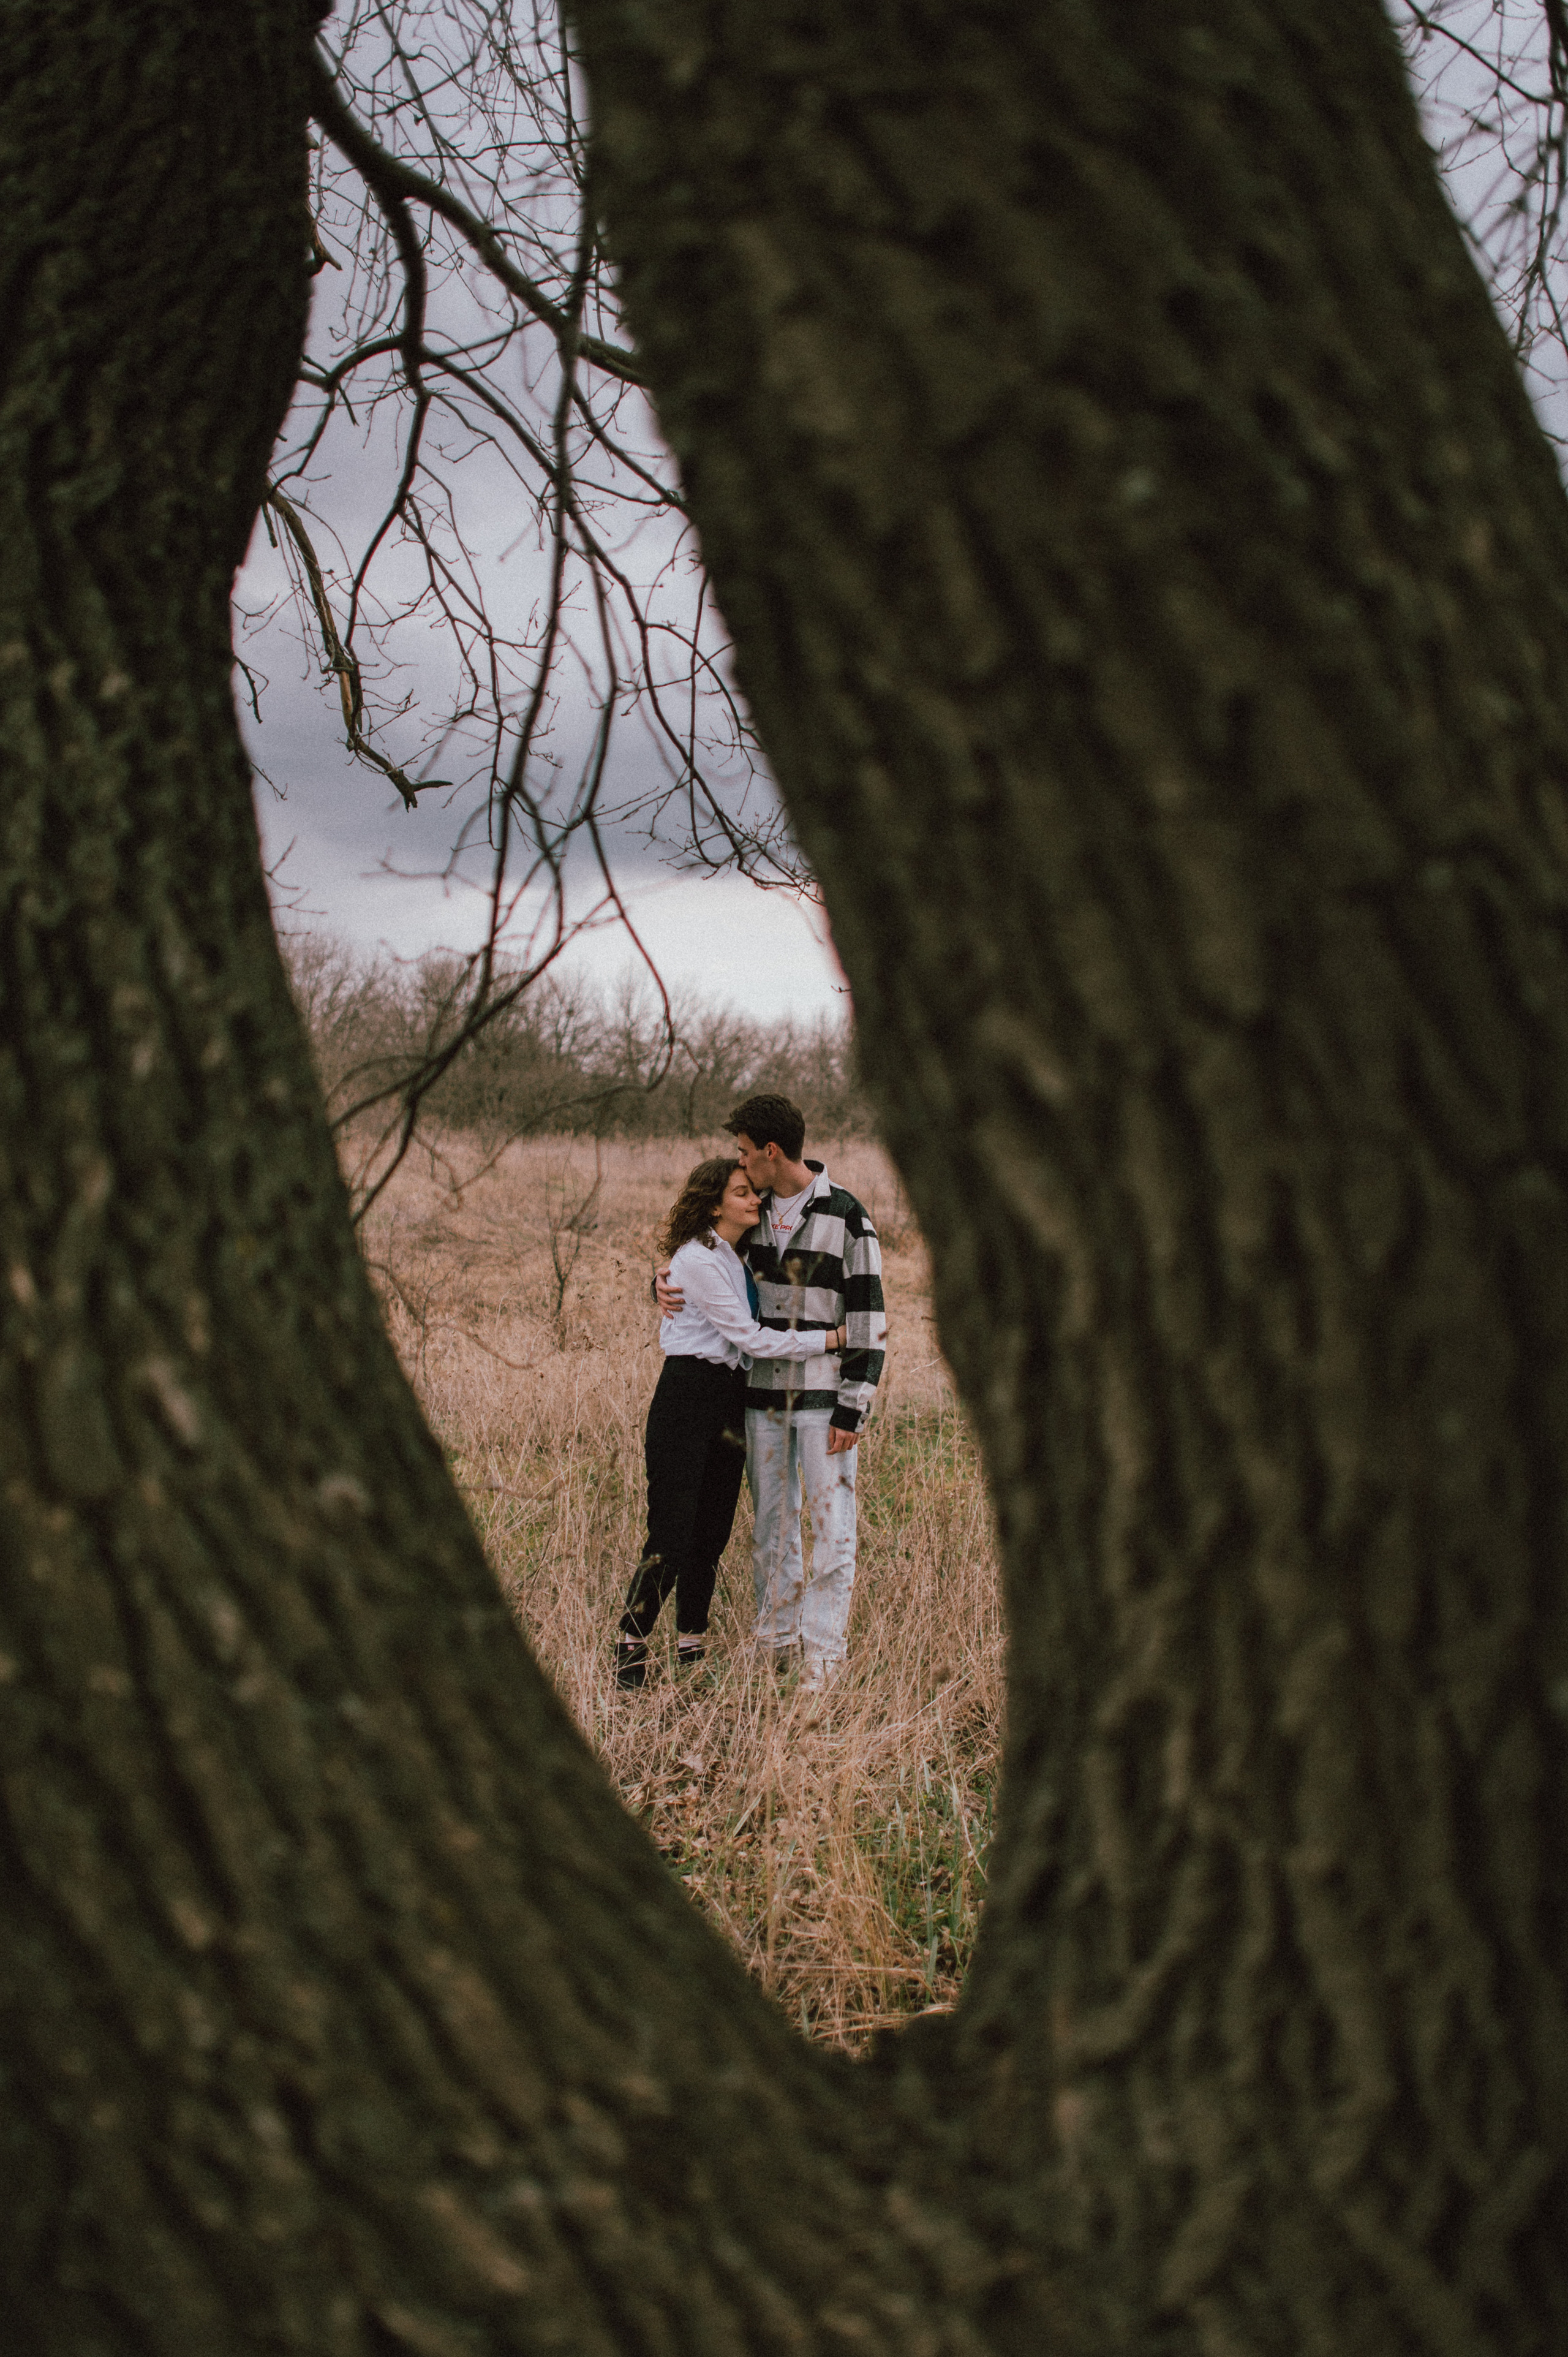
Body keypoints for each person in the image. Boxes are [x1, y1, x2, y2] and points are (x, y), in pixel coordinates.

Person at [657, 1095, 886, 1690]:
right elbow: (700, 1271)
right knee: (772, 1525)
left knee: (831, 1526)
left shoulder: (847, 1216)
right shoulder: (748, 1218)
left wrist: (853, 1405)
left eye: (742, 1151)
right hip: (758, 1401)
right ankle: (775, 1639)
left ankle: (823, 1659)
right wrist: (657, 1283)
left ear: (770, 1151)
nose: (739, 1164)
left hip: (823, 1403)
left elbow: (868, 1317)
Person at [615, 1155, 845, 1690]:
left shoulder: (738, 1257)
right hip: (687, 1396)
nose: (755, 1201)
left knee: (712, 1530)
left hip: (731, 1400)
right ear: (715, 1202)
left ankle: (691, 1642)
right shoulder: (695, 1259)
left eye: (753, 1192)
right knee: (672, 1531)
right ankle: (631, 1641)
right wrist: (829, 1340)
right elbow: (751, 1338)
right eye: (743, 1193)